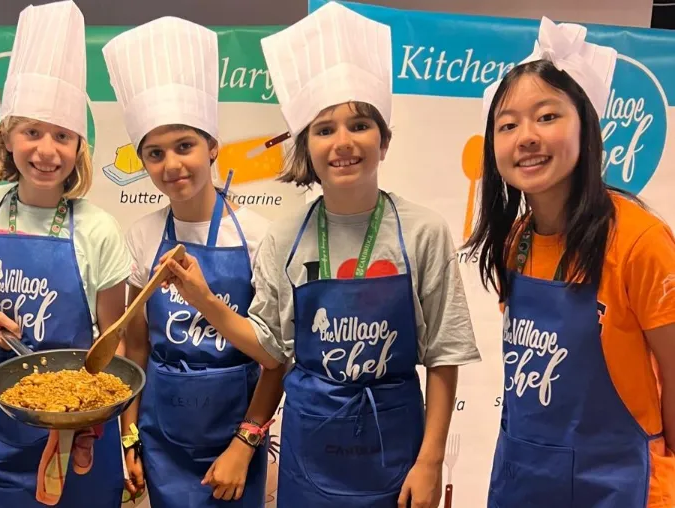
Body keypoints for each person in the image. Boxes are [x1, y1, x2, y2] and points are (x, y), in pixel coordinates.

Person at [157, 4, 480, 507]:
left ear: (384, 138)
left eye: (359, 125)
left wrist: (430, 460)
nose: (343, 143)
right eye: (324, 130)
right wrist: (202, 299)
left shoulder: (423, 232)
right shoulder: (286, 236)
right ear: (306, 145)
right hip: (310, 455)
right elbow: (270, 351)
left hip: (395, 451)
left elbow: (443, 354)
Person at [465, 17, 675, 508]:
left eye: (547, 116)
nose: (526, 136)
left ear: (587, 127)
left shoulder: (641, 242)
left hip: (619, 484)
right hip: (523, 479)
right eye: (508, 124)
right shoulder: (514, 240)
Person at [0, 2, 131, 506]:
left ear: (79, 146)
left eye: (62, 136)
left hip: (81, 423)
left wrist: (107, 424)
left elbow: (116, 345)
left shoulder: (100, 229)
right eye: (32, 132)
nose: (47, 150)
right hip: (3, 418)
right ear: (7, 138)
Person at [103, 17, 283, 507]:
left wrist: (244, 445)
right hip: (162, 438)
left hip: (235, 436)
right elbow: (135, 351)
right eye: (155, 153)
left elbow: (275, 358)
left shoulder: (257, 236)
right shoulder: (141, 237)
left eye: (185, 146)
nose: (172, 165)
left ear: (212, 148)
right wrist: (128, 434)